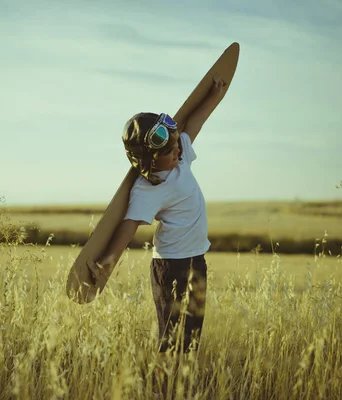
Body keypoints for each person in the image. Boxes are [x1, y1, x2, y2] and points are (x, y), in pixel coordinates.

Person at [92, 76, 227, 354]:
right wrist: (108, 261)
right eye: (168, 151)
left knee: (190, 339)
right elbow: (129, 225)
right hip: (171, 268)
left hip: (196, 260)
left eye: (176, 143)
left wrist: (214, 96)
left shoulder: (182, 159)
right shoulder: (148, 188)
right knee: (171, 337)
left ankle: (181, 383)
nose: (177, 150)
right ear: (149, 160)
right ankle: (162, 385)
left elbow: (196, 122)